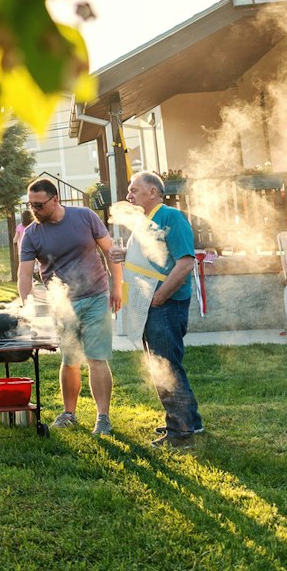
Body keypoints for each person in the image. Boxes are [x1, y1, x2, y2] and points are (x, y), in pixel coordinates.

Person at [17, 177, 121, 436]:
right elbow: (24, 274)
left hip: (97, 295)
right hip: (62, 304)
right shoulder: (31, 234)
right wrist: (26, 306)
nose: (34, 210)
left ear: (55, 199)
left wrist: (118, 287)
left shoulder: (85, 217)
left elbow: (110, 251)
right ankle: (69, 413)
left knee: (97, 358)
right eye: (31, 205)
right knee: (70, 359)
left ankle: (103, 418)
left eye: (39, 205)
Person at [123, 171, 204, 448]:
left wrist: (159, 297)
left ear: (153, 192)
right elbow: (156, 259)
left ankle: (180, 433)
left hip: (165, 305)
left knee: (165, 367)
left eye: (134, 190)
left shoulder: (171, 217)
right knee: (166, 364)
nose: (128, 195)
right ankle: (190, 421)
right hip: (151, 303)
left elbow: (184, 263)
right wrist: (124, 255)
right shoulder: (145, 221)